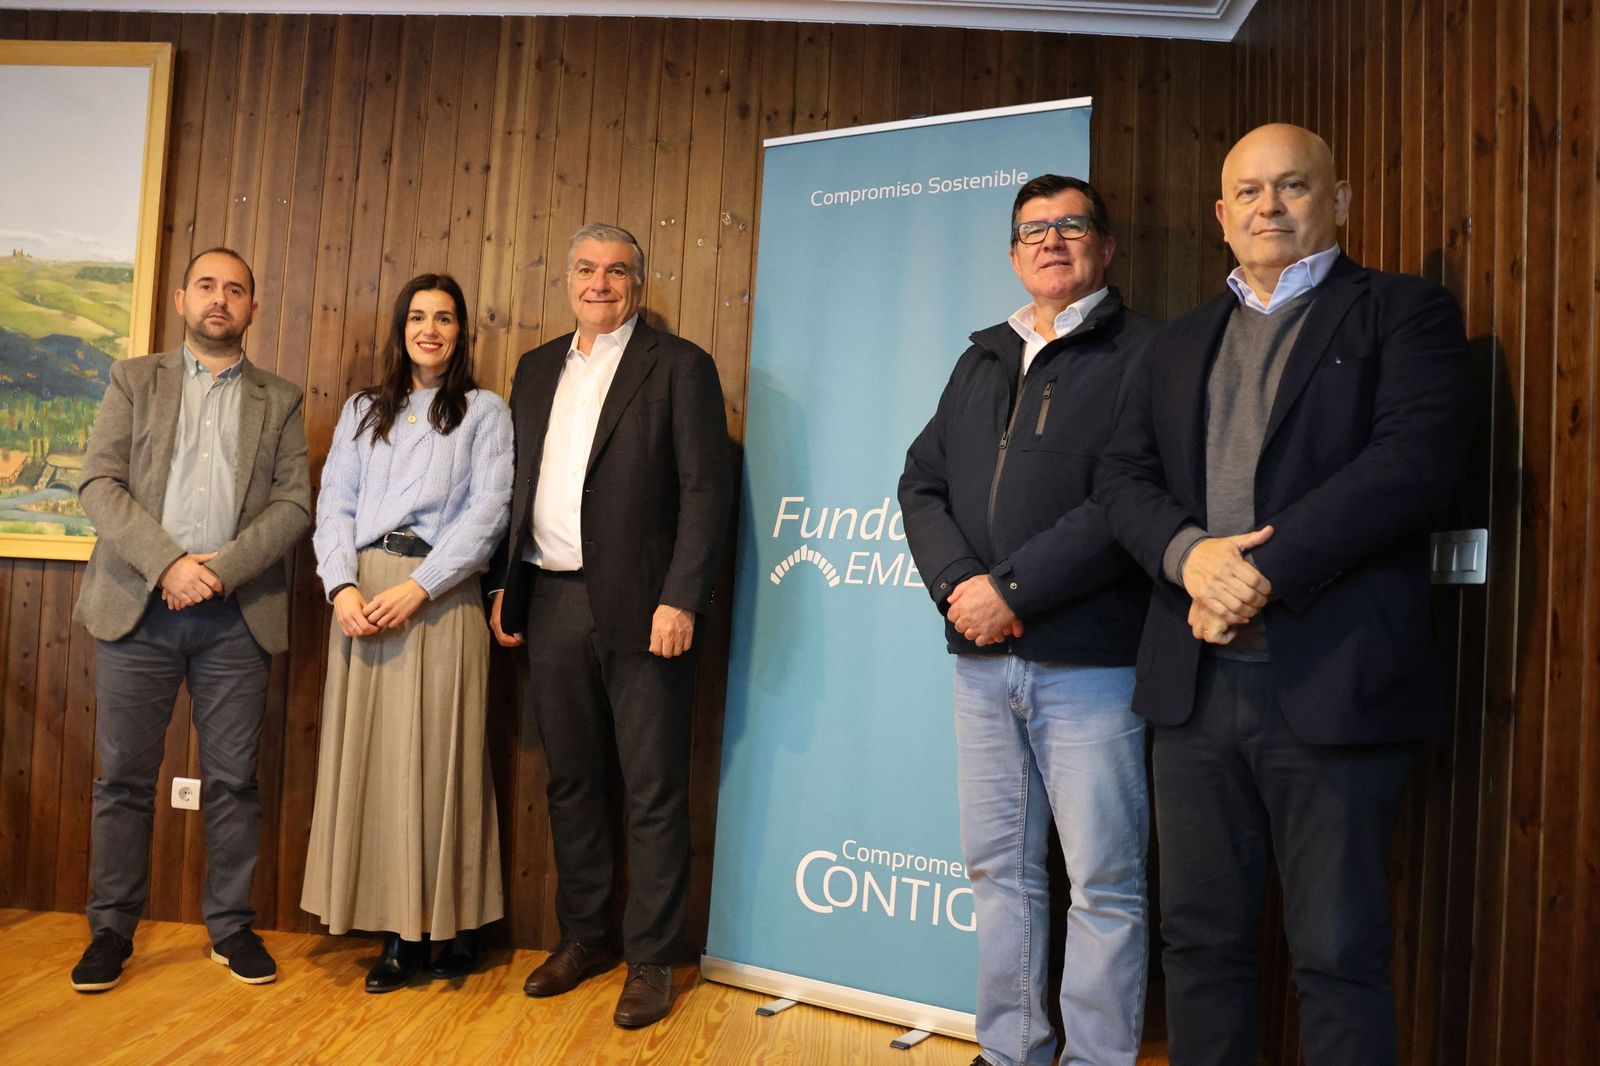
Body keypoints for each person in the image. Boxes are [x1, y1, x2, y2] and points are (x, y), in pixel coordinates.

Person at [1094, 124, 1473, 1066]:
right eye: (1250, 192)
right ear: (1221, 217)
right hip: (1195, 693)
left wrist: (1257, 572)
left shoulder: (1403, 313)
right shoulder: (1177, 342)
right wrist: (1191, 559)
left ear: (1337, 200)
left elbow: (1412, 464)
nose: (1271, 206)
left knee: (1340, 954)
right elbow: (1120, 478)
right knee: (1201, 945)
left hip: (1333, 685)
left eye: (1293, 186)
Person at [898, 175, 1158, 1066]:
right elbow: (920, 483)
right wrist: (961, 584)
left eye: (1071, 225)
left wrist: (1011, 590)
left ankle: (1095, 1059)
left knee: (1105, 884)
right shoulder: (980, 357)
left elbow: (1130, 500)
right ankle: (1012, 1051)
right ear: (1013, 253)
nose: (1051, 240)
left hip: (1093, 667)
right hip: (980, 666)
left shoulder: (1147, 355)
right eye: (1033, 230)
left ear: (1105, 246)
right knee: (1000, 875)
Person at [489, 223, 731, 1029]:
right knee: (572, 782)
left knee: (655, 790)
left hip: (646, 606)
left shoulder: (681, 367)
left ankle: (652, 959)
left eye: (617, 271)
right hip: (551, 598)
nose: (601, 283)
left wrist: (682, 597)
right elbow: (517, 486)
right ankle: (584, 937)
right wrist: (506, 586)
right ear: (566, 279)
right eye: (586, 269)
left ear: (638, 282)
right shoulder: (532, 369)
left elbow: (705, 493)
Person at [70, 247, 311, 992]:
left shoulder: (282, 397)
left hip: (237, 617)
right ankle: (111, 930)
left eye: (235, 289)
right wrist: (169, 565)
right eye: (207, 286)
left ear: (252, 308)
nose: (220, 299)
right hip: (137, 606)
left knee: (235, 781)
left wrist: (216, 572)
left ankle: (231, 928)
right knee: (123, 782)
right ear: (181, 299)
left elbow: (293, 505)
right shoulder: (134, 379)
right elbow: (98, 483)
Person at [301, 273, 513, 992]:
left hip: (441, 597)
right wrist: (343, 587)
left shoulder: (485, 413)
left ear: (461, 332)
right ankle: (393, 926)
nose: (430, 329)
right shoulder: (366, 410)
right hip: (363, 595)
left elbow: (488, 516)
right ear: (400, 330)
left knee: (439, 758)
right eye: (417, 317)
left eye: (445, 318)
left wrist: (419, 588)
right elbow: (334, 503)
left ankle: (445, 929)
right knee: (377, 764)